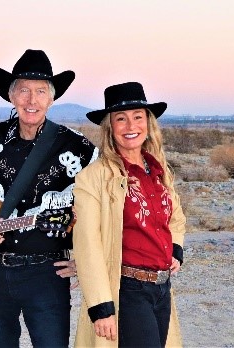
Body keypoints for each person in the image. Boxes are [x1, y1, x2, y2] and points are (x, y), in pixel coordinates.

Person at [0, 49, 98, 347]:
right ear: (11, 96)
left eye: (41, 91)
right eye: (23, 90)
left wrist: (87, 259)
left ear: (51, 99)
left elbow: (102, 212)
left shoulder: (80, 150)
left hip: (48, 275)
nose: (31, 99)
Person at [72, 82, 186, 347]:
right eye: (120, 119)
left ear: (148, 123)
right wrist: (101, 306)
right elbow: (88, 244)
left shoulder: (158, 170)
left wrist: (176, 248)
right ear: (110, 128)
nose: (130, 126)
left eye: (138, 117)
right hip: (127, 290)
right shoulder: (94, 178)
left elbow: (175, 216)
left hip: (161, 288)